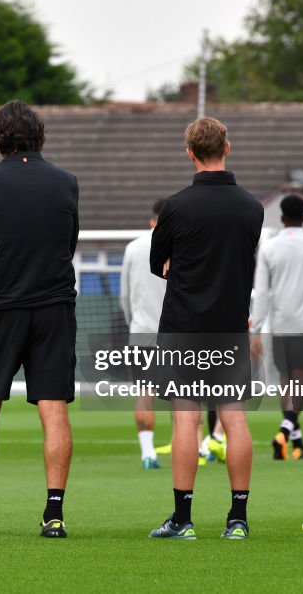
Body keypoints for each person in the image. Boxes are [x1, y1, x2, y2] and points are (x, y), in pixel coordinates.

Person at [0, 100, 79, 539]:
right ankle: (54, 515)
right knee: (54, 407)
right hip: (54, 306)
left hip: (0, 307)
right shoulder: (66, 181)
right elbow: (69, 241)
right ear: (38, 134)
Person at [148, 117, 263, 540]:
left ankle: (182, 519)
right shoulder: (253, 206)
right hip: (230, 325)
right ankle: (238, 519)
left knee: (185, 420)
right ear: (227, 148)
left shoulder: (176, 207)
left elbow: (156, 263)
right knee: (234, 420)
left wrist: (179, 268)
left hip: (183, 325)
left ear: (190, 153)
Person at [250, 194, 303, 461]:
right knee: (301, 381)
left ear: (282, 218)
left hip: (279, 325)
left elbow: (262, 293)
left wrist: (257, 327)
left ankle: (295, 442)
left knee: (287, 381)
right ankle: (286, 431)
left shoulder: (269, 248)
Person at [119, 199, 167, 470]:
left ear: (152, 220)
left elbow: (125, 294)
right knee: (184, 396)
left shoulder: (134, 247)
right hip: (176, 330)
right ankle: (191, 449)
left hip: (141, 330)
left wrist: (132, 323)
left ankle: (148, 453)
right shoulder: (182, 245)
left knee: (145, 393)